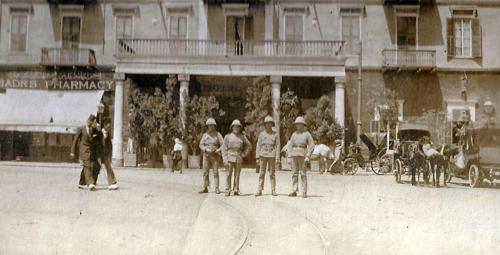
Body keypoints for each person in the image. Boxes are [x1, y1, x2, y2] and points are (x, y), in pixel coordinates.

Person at [282, 116, 315, 198]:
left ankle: (304, 191)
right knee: (294, 174)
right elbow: (289, 146)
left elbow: (311, 145)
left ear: (303, 125)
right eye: (296, 124)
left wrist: (308, 156)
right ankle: (294, 190)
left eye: (299, 124)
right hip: (294, 155)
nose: (298, 126)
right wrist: (289, 156)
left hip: (303, 155)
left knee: (303, 174)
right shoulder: (294, 134)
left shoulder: (307, 134)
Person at [71, 114, 101, 191]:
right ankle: (90, 183)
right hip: (83, 150)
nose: (89, 122)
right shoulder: (81, 128)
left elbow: (98, 137)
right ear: (87, 120)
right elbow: (75, 140)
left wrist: (98, 129)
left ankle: (81, 182)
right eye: (89, 121)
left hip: (91, 151)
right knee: (87, 166)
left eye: (91, 122)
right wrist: (72, 151)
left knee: (89, 166)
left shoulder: (93, 129)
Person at [222, 119, 251, 196]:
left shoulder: (242, 137)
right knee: (228, 174)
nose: (236, 128)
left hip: (238, 157)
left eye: (238, 127)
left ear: (240, 128)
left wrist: (244, 154)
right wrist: (225, 159)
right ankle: (227, 190)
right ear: (232, 127)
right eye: (235, 127)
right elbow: (224, 148)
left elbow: (249, 146)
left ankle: (236, 189)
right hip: (229, 157)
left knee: (237, 174)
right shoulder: (227, 137)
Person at [255, 116, 280, 196]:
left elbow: (278, 145)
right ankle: (259, 189)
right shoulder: (262, 134)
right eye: (267, 123)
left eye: (270, 123)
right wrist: (257, 157)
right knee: (261, 173)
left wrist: (277, 157)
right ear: (265, 125)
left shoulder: (275, 134)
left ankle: (273, 189)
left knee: (272, 173)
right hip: (263, 155)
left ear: (272, 125)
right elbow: (258, 145)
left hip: (272, 155)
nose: (268, 125)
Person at [198, 118, 224, 194]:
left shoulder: (217, 134)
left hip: (215, 156)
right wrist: (205, 149)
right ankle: (205, 187)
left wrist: (218, 150)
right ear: (207, 126)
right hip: (206, 155)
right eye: (209, 125)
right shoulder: (205, 135)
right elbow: (200, 144)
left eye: (212, 125)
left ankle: (216, 188)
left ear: (214, 126)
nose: (210, 127)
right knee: (205, 172)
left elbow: (223, 144)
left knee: (215, 172)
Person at [100, 119, 119, 190]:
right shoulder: (99, 132)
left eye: (110, 127)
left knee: (108, 167)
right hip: (99, 153)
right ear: (104, 125)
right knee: (95, 168)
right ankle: (89, 182)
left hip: (105, 154)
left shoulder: (108, 133)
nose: (109, 128)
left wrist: (109, 154)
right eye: (108, 126)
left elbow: (109, 144)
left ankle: (112, 183)